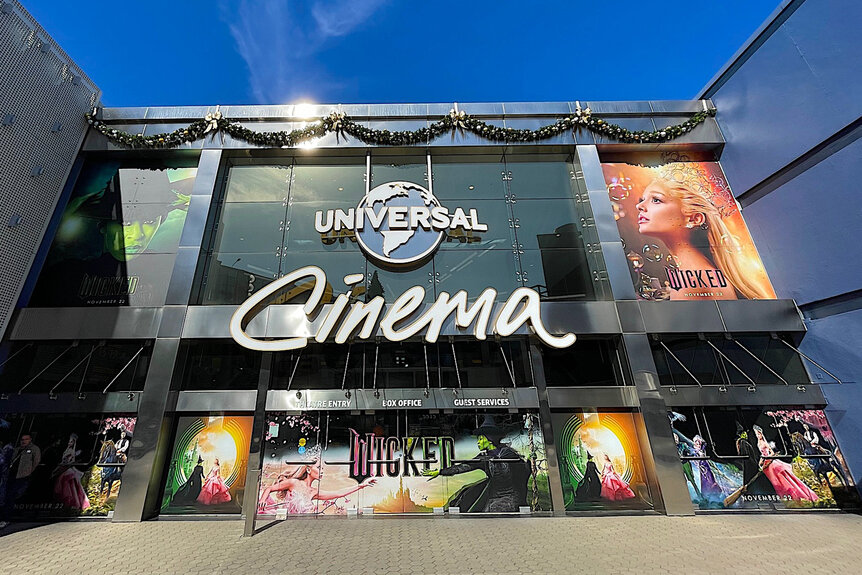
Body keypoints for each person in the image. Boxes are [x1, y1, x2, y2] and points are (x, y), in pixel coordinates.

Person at [634, 163, 773, 300]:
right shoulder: (706, 276)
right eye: (643, 200)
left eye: (656, 200)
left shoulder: (688, 282)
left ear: (694, 219)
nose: (639, 206)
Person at [423, 415, 529, 513]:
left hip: (510, 497)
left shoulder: (508, 453)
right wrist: (440, 471)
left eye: (481, 439)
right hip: (493, 497)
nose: (478, 442)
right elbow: (464, 467)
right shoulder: (483, 457)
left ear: (489, 439)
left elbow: (522, 472)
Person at [258, 459, 377, 514]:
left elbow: (338, 493)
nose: (322, 471)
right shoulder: (294, 483)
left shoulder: (314, 491)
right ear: (309, 469)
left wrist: (361, 485)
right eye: (319, 468)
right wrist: (263, 499)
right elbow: (269, 488)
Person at [753, 425, 818, 502]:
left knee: (781, 479)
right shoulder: (758, 443)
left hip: (770, 461)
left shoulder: (765, 442)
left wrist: (767, 459)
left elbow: (771, 453)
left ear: (761, 433)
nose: (757, 435)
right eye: (756, 434)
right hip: (765, 462)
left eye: (758, 433)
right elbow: (763, 454)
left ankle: (798, 495)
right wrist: (761, 460)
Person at [53, 433, 91, 510]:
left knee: (70, 486)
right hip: (67, 469)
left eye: (71, 442)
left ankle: (75, 504)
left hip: (69, 469)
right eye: (69, 441)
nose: (69, 443)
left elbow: (68, 462)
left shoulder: (73, 451)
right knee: (72, 488)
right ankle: (73, 504)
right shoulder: (68, 450)